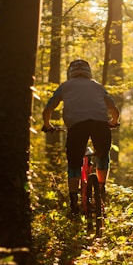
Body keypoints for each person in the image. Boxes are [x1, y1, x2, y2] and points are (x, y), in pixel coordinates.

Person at [42, 59, 120, 215]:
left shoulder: (65, 86)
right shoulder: (97, 86)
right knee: (103, 156)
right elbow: (113, 109)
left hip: (76, 127)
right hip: (100, 124)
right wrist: (113, 122)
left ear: (70, 73)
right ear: (88, 72)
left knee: (74, 164)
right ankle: (101, 189)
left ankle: (73, 205)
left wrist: (47, 125)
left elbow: (48, 108)